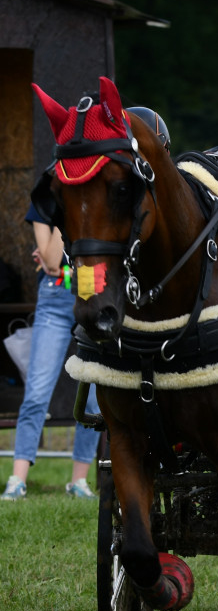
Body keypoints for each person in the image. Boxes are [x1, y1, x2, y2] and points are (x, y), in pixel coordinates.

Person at [1, 204, 101, 500]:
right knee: (37, 392)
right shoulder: (44, 204)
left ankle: (78, 482)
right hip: (55, 294)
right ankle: (17, 480)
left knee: (93, 395)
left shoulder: (96, 197)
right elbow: (54, 261)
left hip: (92, 286)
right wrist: (68, 213)